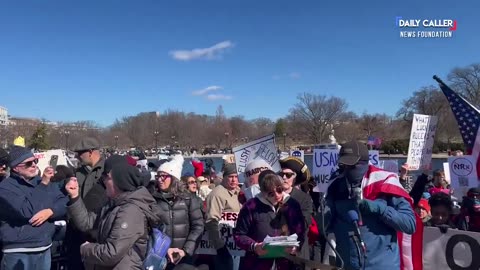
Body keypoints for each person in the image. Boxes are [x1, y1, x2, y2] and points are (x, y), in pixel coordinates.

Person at [319, 141, 417, 270]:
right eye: (344, 165)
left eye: (352, 165)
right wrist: (324, 213)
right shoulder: (334, 185)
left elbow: (410, 224)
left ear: (364, 163)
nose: (348, 170)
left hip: (382, 265)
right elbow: (323, 228)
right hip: (347, 264)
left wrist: (381, 209)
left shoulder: (385, 182)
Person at [65, 163, 160, 269]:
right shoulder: (112, 204)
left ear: (120, 183)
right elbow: (86, 222)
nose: (104, 181)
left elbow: (112, 252)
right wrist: (74, 196)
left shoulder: (130, 211)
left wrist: (86, 248)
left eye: (108, 178)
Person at [0, 146, 67, 269]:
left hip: (44, 247)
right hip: (18, 251)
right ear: (16, 168)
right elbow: (26, 210)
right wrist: (43, 185)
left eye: (35, 161)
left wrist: (50, 211)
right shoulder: (5, 188)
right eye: (28, 163)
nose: (34, 165)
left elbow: (64, 202)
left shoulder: (41, 182)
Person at [234, 170, 306, 270]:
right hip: (257, 263)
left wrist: (296, 247)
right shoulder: (250, 207)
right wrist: (254, 246)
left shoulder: (292, 204)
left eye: (279, 190)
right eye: (271, 193)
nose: (277, 195)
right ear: (263, 193)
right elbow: (239, 235)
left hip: (286, 262)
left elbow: (300, 231)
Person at [151, 156, 204, 269]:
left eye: (163, 176)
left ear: (173, 178)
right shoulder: (152, 199)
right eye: (158, 176)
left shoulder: (188, 199)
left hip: (185, 258)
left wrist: (185, 251)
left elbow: (198, 226)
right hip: (160, 256)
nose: (159, 179)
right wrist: (164, 249)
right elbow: (148, 229)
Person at [68, 137, 107, 270]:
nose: (77, 156)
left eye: (80, 153)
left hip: (97, 230)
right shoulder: (78, 171)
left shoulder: (107, 171)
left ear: (90, 152)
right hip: (77, 228)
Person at [278, 157, 313, 269]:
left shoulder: (304, 198)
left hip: (297, 251)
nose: (284, 178)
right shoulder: (271, 196)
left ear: (295, 178)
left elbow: (304, 223)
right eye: (281, 174)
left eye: (288, 175)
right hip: (276, 250)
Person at [205, 163, 241, 270]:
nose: (234, 180)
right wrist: (218, 244)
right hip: (223, 244)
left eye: (236, 176)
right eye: (230, 177)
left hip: (236, 243)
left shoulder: (237, 191)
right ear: (224, 178)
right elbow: (211, 219)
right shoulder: (217, 194)